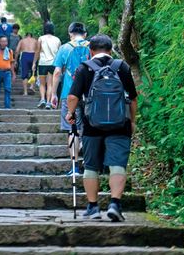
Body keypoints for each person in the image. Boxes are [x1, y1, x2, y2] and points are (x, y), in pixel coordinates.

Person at [65, 34, 138, 222]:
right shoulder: (121, 67)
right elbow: (133, 97)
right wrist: (132, 121)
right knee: (117, 164)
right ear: (111, 49)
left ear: (91, 51)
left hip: (92, 125)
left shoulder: (85, 68)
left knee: (91, 166)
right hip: (119, 124)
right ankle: (114, 204)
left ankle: (93, 207)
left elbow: (73, 97)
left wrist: (70, 114)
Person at [50, 22, 90, 175]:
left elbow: (57, 72)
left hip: (69, 95)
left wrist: (54, 94)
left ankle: (74, 167)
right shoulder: (92, 46)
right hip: (89, 95)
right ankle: (89, 163)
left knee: (73, 129)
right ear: (85, 34)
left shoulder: (65, 48)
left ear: (70, 33)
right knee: (88, 128)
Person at [32, 22, 61, 109]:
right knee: (50, 84)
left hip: (43, 63)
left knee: (42, 83)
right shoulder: (57, 40)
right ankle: (48, 102)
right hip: (53, 64)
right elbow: (59, 53)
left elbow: (37, 51)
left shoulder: (41, 38)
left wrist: (34, 62)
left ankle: (42, 99)